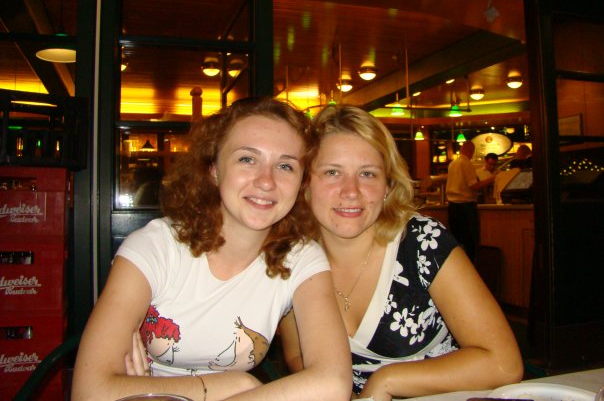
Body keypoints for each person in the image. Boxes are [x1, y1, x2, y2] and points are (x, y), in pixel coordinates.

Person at [72, 97, 351, 401]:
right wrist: (235, 386)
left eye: (285, 166)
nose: (267, 181)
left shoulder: (301, 258)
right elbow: (89, 392)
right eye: (247, 159)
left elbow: (334, 383)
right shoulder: (156, 247)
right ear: (214, 169)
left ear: (300, 182)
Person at [279, 105, 523, 400]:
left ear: (387, 185)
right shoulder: (291, 258)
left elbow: (503, 364)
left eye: (367, 174)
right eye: (332, 172)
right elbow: (298, 355)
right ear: (305, 184)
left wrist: (386, 381)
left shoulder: (422, 242)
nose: (351, 191)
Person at [445, 141, 494, 262]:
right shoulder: (466, 164)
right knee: (470, 241)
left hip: (452, 207)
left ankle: (458, 265)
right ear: (471, 151)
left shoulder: (452, 164)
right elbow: (474, 186)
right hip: (466, 207)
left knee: (456, 241)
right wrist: (492, 179)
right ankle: (470, 265)